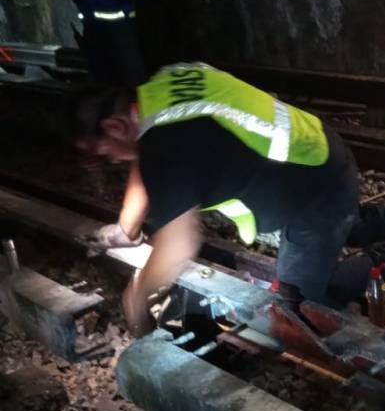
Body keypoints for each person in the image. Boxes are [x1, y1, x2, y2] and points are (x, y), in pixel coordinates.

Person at [76, 62, 358, 335]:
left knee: (298, 305)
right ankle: (372, 223)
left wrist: (136, 300)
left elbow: (178, 244)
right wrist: (126, 230)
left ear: (114, 127)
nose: (110, 160)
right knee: (343, 227)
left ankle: (381, 261)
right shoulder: (163, 84)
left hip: (317, 188)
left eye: (100, 153)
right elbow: (142, 159)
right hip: (312, 143)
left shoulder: (167, 146)